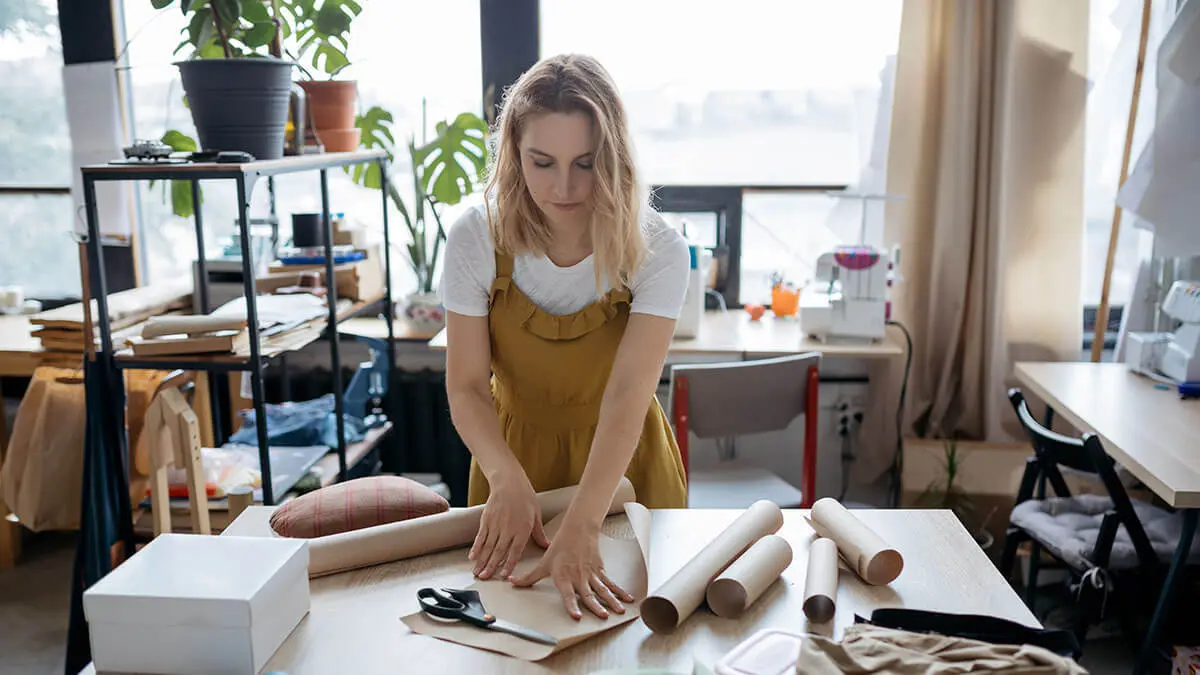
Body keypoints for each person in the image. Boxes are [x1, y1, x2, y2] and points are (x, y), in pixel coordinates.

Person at [439, 53, 690, 622]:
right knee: (504, 635)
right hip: (512, 463)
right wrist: (505, 477)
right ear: (513, 154)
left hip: (625, 469)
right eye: (542, 162)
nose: (564, 187)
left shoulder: (658, 249)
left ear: (615, 157)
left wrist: (584, 519)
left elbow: (628, 396)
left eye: (586, 162)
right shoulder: (476, 237)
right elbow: (467, 388)